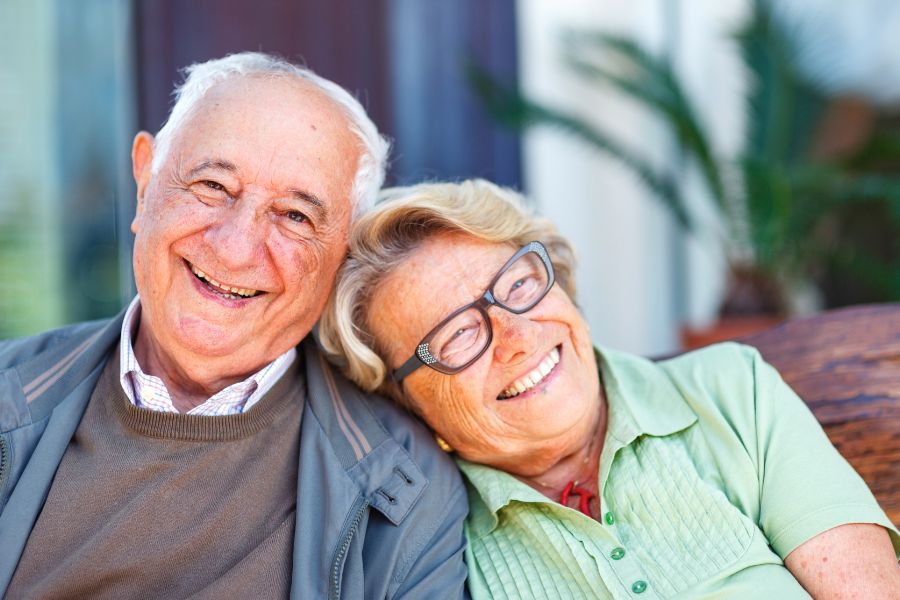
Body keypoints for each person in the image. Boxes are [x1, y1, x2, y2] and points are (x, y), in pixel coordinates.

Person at [0, 53, 469, 599]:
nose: (235, 247)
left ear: (344, 253)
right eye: (213, 185)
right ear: (146, 182)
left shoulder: (407, 492)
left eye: (295, 216)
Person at [320, 179, 900, 599]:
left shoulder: (731, 391)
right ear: (405, 399)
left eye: (518, 284)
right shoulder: (437, 547)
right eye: (459, 333)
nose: (518, 336)